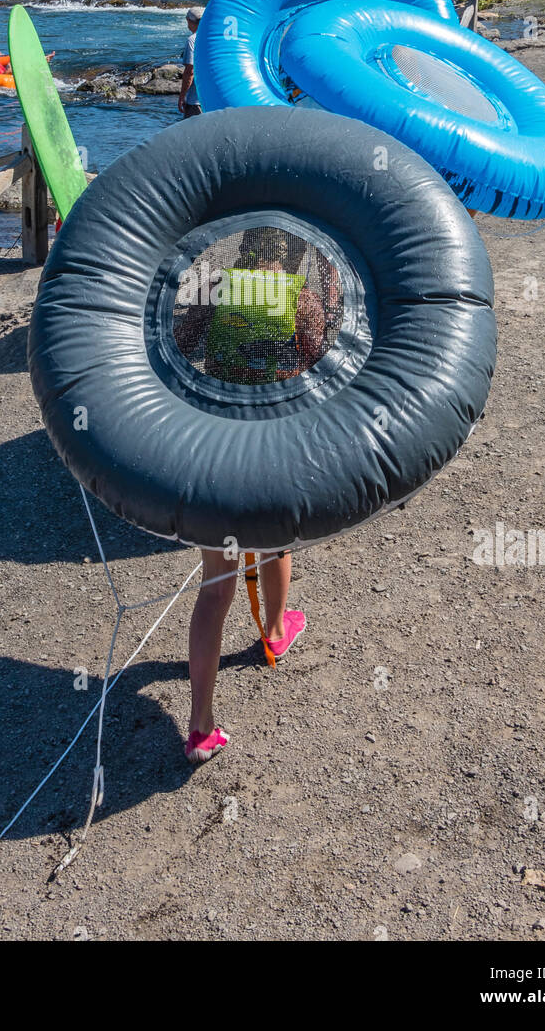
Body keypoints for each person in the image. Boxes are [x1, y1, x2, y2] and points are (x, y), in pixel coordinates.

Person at [176, 227, 333, 760]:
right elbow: (322, 363)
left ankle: (200, 726)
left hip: (216, 445)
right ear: (294, 254)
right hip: (274, 445)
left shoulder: (220, 285)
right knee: (275, 545)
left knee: (215, 586)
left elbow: (180, 347)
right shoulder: (303, 298)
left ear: (244, 248)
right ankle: (271, 631)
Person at [178, 6, 203, 118]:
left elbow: (190, 72)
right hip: (213, 100)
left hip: (195, 101)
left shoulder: (192, 40)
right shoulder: (215, 38)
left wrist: (182, 97)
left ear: (189, 21)